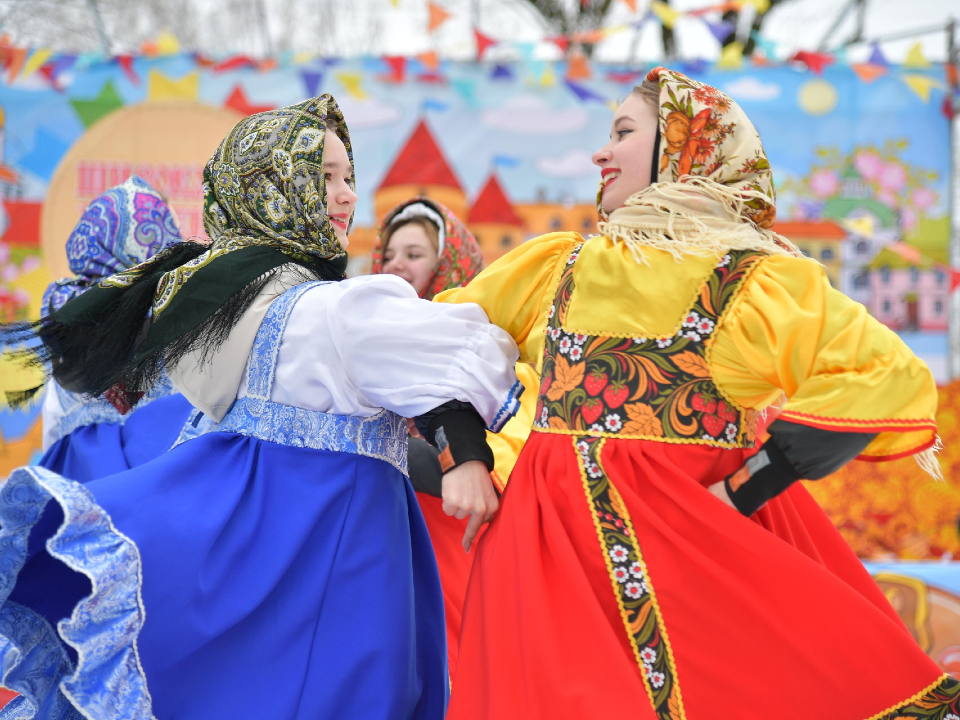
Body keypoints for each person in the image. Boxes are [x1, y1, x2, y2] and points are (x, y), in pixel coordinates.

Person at [435, 68, 957, 719]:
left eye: (623, 131)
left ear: (684, 148)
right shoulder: (558, 267)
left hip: (696, 566)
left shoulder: (747, 281)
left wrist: (748, 488)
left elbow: (883, 375)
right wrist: (464, 452)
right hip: (546, 565)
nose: (602, 151)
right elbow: (434, 343)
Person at [0, 95, 521, 719]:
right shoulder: (338, 308)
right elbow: (467, 353)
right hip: (343, 557)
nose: (346, 195)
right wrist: (465, 452)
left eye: (348, 176)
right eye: (322, 178)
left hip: (256, 562)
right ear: (273, 190)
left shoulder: (221, 313)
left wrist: (455, 446)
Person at [373, 196, 539, 676]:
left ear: (450, 265)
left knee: (449, 666)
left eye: (415, 254)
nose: (397, 266)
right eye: (389, 254)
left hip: (447, 537)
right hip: (383, 539)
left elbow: (505, 456)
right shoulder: (365, 345)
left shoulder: (487, 357)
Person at [38, 175, 194, 479]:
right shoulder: (177, 311)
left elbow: (53, 420)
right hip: (153, 484)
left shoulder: (64, 306)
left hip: (80, 481)